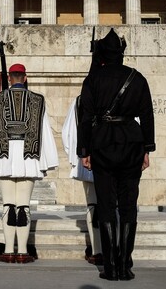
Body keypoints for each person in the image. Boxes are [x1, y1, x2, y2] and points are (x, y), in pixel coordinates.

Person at [77, 28, 155, 281]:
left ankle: (110, 267)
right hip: (132, 142)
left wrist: (84, 150)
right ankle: (125, 265)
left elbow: (85, 117)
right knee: (129, 206)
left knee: (107, 206)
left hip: (102, 144)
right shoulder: (137, 77)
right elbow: (147, 115)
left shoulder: (94, 79)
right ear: (121, 53)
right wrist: (147, 148)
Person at [0, 63, 59, 264]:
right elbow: (44, 131)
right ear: (25, 77)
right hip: (29, 156)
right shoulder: (38, 100)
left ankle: (8, 249)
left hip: (4, 155)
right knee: (24, 205)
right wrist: (48, 159)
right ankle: (22, 251)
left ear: (9, 78)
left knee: (8, 204)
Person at [62, 96, 103, 265]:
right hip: (117, 159)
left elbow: (69, 133)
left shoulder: (80, 101)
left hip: (90, 159)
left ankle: (97, 251)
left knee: (93, 205)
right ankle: (114, 250)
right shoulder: (123, 92)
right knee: (112, 205)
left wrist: (76, 157)